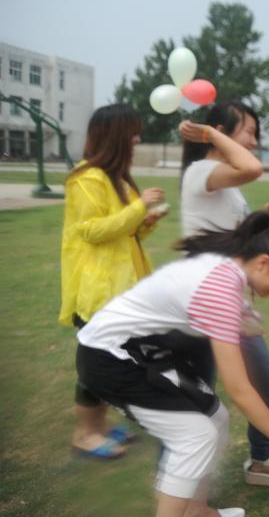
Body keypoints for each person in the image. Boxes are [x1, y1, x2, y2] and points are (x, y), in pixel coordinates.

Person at [75, 212, 269, 517]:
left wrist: (242, 319)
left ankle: (197, 512)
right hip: (108, 357)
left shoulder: (227, 269)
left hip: (134, 350)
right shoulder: (221, 288)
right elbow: (239, 389)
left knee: (215, 418)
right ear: (263, 262)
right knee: (195, 435)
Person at [179, 102, 269, 494]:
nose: (254, 141)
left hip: (229, 300)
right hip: (204, 302)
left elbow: (236, 239)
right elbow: (251, 167)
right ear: (219, 132)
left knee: (262, 378)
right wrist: (209, 136)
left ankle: (260, 459)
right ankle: (187, 488)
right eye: (248, 131)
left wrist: (263, 216)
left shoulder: (226, 184)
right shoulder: (201, 170)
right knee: (201, 394)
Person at [60, 104, 167, 459]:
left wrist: (144, 222)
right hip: (100, 290)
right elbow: (91, 232)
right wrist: (138, 209)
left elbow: (124, 234)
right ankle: (84, 434)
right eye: (133, 132)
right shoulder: (86, 178)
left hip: (124, 286)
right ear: (115, 135)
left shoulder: (117, 176)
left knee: (111, 360)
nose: (138, 139)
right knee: (97, 365)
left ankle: (99, 427)